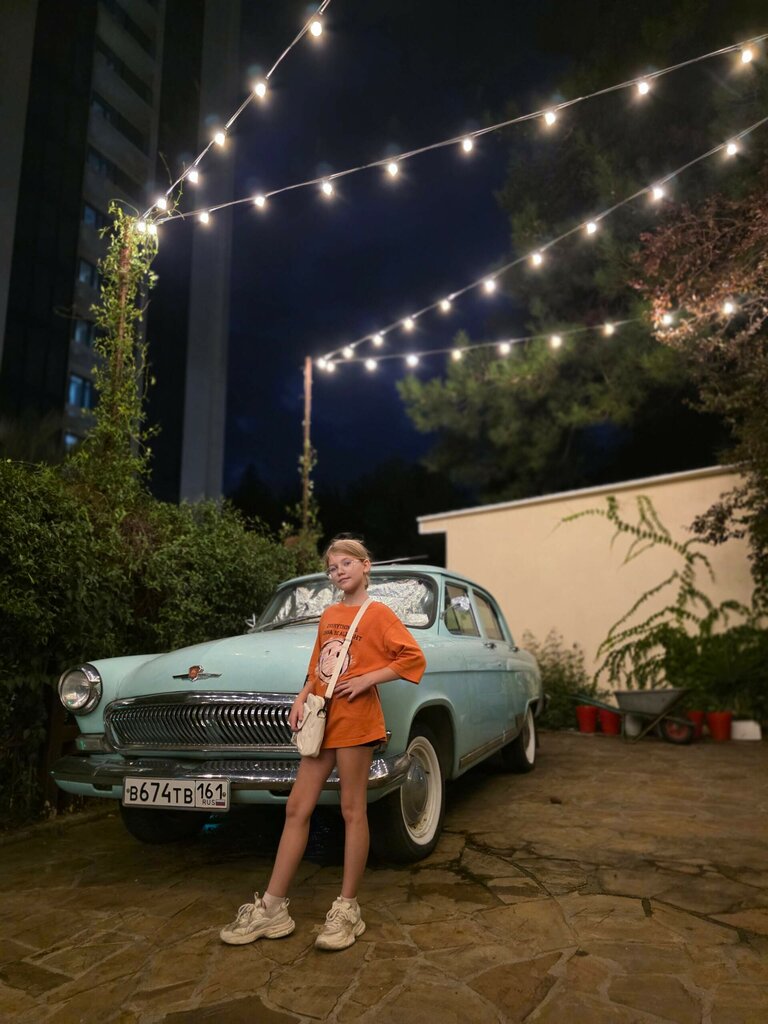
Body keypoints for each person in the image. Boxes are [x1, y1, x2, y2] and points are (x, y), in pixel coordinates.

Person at [220, 537, 426, 951]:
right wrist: (301, 697)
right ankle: (273, 908)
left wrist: (368, 679)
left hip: (357, 722)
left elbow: (412, 657)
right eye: (333, 568)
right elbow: (317, 664)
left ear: (366, 565)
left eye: (346, 563)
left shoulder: (379, 614)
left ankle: (348, 909)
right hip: (322, 720)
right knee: (297, 808)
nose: (339, 572)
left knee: (352, 810)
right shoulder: (330, 613)